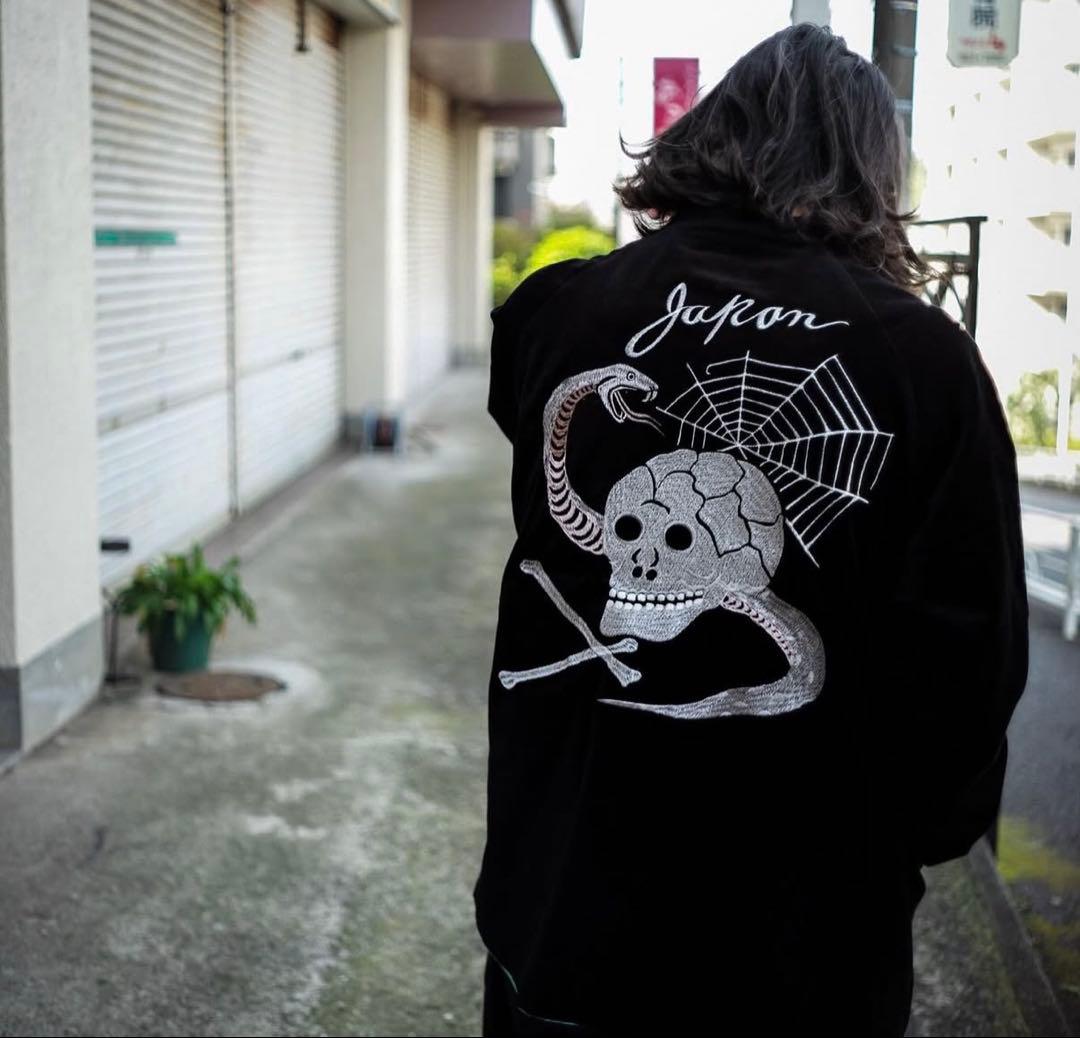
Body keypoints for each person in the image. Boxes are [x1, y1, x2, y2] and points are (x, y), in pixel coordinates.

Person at [473, 22, 1029, 1037]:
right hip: (801, 940)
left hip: (562, 899)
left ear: (711, 134)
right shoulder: (925, 362)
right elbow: (969, 660)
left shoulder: (561, 309)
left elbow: (537, 438)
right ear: (869, 173)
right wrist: (914, 834)